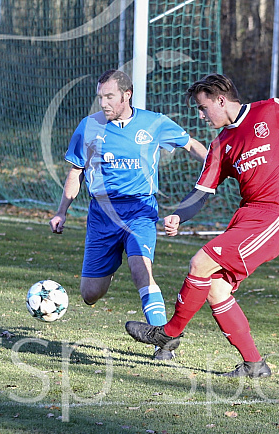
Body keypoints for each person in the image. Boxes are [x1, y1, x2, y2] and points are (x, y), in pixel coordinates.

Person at [125, 73, 279, 376]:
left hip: (275, 215)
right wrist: (180, 214)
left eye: (203, 108)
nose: (202, 115)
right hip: (247, 217)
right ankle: (254, 365)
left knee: (200, 262)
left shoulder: (269, 111)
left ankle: (168, 333)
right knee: (216, 289)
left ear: (220, 100)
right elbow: (202, 193)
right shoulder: (221, 144)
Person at [49, 69, 207, 360]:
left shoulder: (154, 123)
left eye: (109, 97)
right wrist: (61, 212)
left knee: (141, 270)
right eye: (101, 97)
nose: (104, 103)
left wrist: (218, 166)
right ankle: (110, 262)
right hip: (101, 217)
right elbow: (76, 171)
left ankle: (164, 342)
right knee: (90, 294)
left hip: (139, 212)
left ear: (127, 95)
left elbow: (192, 145)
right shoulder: (88, 127)